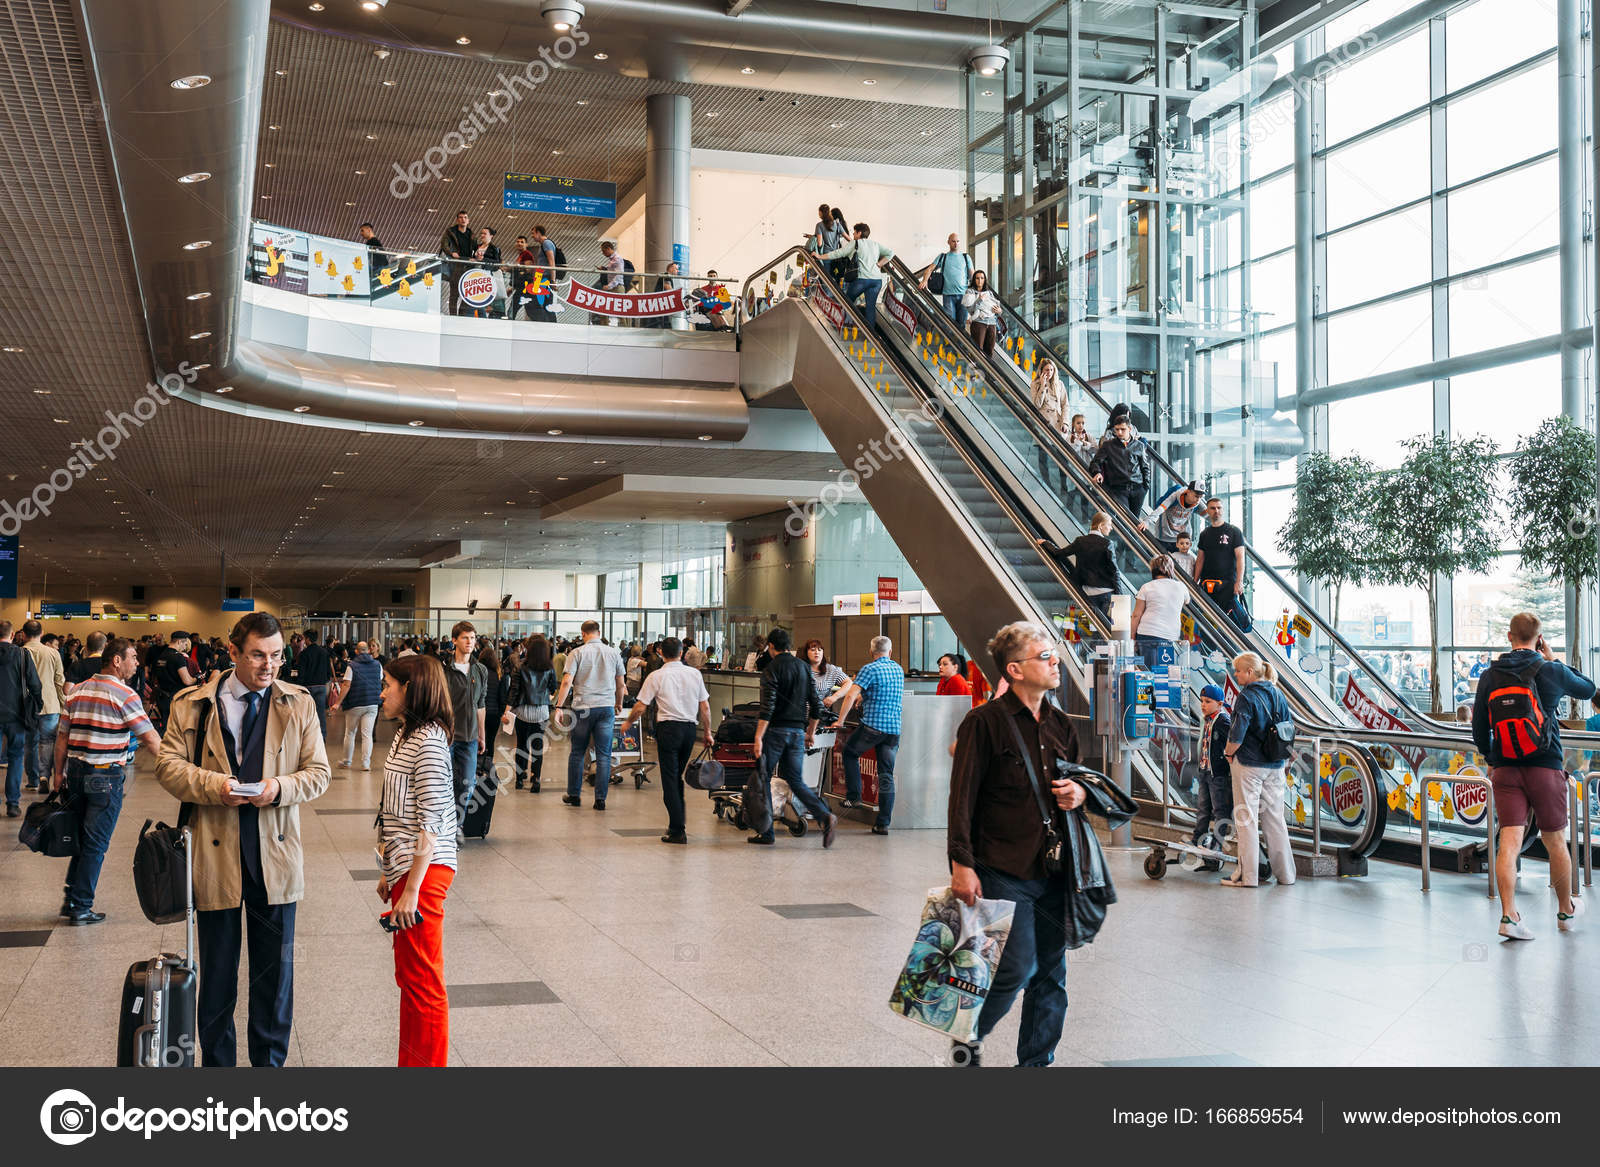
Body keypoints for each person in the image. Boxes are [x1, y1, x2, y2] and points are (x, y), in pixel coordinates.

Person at [154, 612, 331, 1067]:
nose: (269, 666)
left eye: (276, 655)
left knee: (275, 977)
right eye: (257, 655)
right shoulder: (192, 704)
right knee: (217, 976)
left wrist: (278, 788)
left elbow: (318, 773)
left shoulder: (299, 703)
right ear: (233, 652)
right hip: (215, 856)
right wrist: (215, 786)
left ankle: (268, 1068)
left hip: (275, 855)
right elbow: (167, 765)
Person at [948, 621, 1087, 1068]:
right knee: (1016, 967)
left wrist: (1078, 793)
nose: (1056, 663)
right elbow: (962, 797)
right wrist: (961, 864)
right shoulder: (983, 723)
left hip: (1054, 868)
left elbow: (1082, 784)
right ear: (1015, 669)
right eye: (1045, 657)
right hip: (1002, 867)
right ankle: (969, 1035)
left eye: (1054, 655)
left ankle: (1036, 1063)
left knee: (1051, 974)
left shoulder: (1062, 725)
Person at [1471, 612, 1595, 940]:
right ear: (1539, 639)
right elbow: (1588, 689)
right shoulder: (1549, 670)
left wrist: (1492, 759)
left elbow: (1479, 728)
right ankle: (1565, 911)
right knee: (1555, 841)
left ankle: (1509, 917)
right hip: (1545, 766)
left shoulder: (1490, 675)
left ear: (1509, 636)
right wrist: (1553, 659)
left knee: (1509, 841)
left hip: (1505, 770)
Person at [375, 653, 458, 1067]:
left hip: (425, 873)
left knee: (423, 981)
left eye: (388, 685)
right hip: (406, 868)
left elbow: (433, 820)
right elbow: (394, 809)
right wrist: (388, 870)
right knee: (410, 977)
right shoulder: (406, 733)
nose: (382, 693)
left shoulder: (428, 742)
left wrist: (411, 889)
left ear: (410, 689)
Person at [50, 637, 162, 924]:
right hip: (105, 777)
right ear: (116, 660)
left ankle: (71, 899)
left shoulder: (77, 691)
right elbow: (151, 739)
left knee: (81, 839)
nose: (137, 663)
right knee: (96, 844)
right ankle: (81, 906)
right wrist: (176, 768)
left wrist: (58, 773)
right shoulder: (125, 695)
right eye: (133, 657)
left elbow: (62, 737)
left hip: (76, 774)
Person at [748, 628, 837, 847]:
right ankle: (824, 815)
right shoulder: (804, 668)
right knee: (795, 780)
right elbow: (816, 705)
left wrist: (758, 737)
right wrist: (810, 732)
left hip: (775, 732)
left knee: (763, 776)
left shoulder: (771, 669)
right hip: (797, 732)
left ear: (771, 647)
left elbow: (767, 707)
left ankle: (767, 832)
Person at [621, 637, 712, 844]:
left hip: (668, 729)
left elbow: (640, 706)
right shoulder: (694, 674)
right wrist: (707, 733)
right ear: (681, 653)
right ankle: (676, 824)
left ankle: (678, 829)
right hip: (689, 730)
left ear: (661, 653)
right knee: (676, 776)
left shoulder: (656, 676)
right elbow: (705, 707)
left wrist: (628, 723)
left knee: (670, 779)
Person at [1220, 652, 1295, 889]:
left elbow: (1237, 734)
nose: (1235, 674)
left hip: (1249, 765)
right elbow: (1288, 727)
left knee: (1246, 820)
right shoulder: (1278, 694)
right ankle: (1286, 875)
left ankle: (1248, 877)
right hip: (1276, 765)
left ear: (1250, 672)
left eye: (1238, 671)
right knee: (1275, 820)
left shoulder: (1246, 697)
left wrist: (1228, 753)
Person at [553, 619, 626, 810]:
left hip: (582, 708)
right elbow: (621, 684)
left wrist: (559, 706)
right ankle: (600, 799)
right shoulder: (614, 653)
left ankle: (574, 795)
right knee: (604, 755)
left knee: (577, 752)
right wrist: (618, 703)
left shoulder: (577, 653)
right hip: (606, 708)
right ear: (599, 633)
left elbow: (567, 682)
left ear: (583, 634)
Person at [834, 635, 904, 834]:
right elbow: (884, 692)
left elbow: (850, 694)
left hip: (873, 727)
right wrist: (864, 698)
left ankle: (854, 797)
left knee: (849, 753)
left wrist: (840, 721)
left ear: (871, 651)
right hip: (893, 730)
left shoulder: (869, 669)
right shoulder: (898, 669)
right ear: (890, 652)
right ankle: (882, 824)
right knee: (886, 775)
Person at [441, 622, 488, 829]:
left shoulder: (480, 670)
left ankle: (456, 826)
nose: (470, 642)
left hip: (470, 738)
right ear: (454, 640)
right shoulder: (444, 670)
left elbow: (481, 705)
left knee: (467, 784)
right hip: (447, 737)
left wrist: (482, 735)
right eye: (465, 638)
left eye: (472, 638)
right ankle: (443, 827)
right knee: (445, 784)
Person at [505, 634, 557, 792]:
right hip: (541, 712)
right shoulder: (549, 668)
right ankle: (536, 779)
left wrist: (507, 711)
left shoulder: (520, 666)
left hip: (523, 711)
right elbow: (553, 688)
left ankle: (520, 779)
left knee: (521, 745)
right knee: (537, 746)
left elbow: (514, 691)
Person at [819, 222, 894, 331]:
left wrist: (820, 256)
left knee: (847, 302)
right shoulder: (875, 244)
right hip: (876, 281)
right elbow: (890, 253)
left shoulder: (855, 243)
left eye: (854, 232)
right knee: (870, 308)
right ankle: (870, 334)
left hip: (862, 280)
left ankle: (843, 327)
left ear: (859, 233)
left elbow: (838, 253)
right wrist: (879, 264)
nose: (853, 234)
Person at [0, 620, 40, 817]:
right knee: (16, 757)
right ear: (12, 634)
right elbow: (35, 684)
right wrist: (37, 705)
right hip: (17, 715)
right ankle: (13, 804)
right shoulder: (23, 655)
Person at [20, 620, 64, 794]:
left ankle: (33, 780)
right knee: (47, 742)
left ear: (23, 634)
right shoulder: (53, 653)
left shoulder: (19, 653)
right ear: (42, 633)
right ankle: (44, 776)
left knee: (30, 743)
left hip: (26, 706)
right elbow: (59, 681)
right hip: (50, 704)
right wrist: (63, 704)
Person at [1195, 496, 1250, 632]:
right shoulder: (1204, 534)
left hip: (1228, 586)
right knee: (1207, 624)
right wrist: (1194, 582)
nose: (1216, 511)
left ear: (1223, 510)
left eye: (1219, 508)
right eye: (1213, 508)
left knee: (1228, 625)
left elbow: (1240, 558)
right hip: (1207, 586)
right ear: (1207, 511)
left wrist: (1239, 582)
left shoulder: (1234, 531)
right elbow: (1200, 559)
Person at [1192, 684, 1233, 870]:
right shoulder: (1206, 720)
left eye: (1208, 702)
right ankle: (1197, 839)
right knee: (1203, 808)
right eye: (1202, 701)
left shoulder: (1223, 720)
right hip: (1204, 770)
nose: (1203, 705)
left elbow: (1231, 741)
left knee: (1219, 810)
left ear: (1220, 703)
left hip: (1218, 774)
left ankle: (1216, 845)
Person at [1056, 512, 1119, 624]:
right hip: (1106, 594)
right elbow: (1114, 571)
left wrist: (1046, 543)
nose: (1111, 528)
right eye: (1109, 525)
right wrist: (1120, 596)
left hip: (1087, 593)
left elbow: (1059, 553)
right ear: (1100, 525)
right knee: (1111, 628)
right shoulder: (1107, 543)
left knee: (1084, 628)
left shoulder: (1080, 541)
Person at [1130, 553, 1188, 670]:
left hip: (1147, 634)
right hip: (1169, 636)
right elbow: (1187, 601)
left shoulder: (1147, 587)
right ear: (1171, 569)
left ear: (1153, 569)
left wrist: (1132, 636)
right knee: (1164, 673)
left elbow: (1136, 615)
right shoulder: (1181, 587)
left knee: (1148, 672)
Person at [1090, 415, 1151, 518]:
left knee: (1134, 520)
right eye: (1117, 429)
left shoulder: (1139, 445)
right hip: (1118, 490)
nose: (1119, 432)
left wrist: (1145, 486)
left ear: (1129, 429)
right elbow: (1095, 462)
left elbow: (1145, 467)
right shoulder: (1108, 445)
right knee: (1124, 518)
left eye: (1123, 429)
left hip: (1138, 488)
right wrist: (1097, 472)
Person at [336, 640, 382, 770]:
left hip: (355, 703)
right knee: (367, 734)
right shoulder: (378, 665)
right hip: (372, 703)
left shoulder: (352, 666)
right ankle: (366, 763)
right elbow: (379, 680)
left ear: (356, 651)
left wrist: (337, 703)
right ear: (368, 651)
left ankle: (347, 761)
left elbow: (346, 685)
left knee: (350, 733)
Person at [918, 233, 972, 325]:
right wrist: (924, 281)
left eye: (958, 241)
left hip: (964, 295)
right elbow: (929, 269)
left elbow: (972, 274)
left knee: (961, 324)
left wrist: (978, 291)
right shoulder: (943, 257)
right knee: (949, 324)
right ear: (948, 242)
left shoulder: (966, 257)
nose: (956, 244)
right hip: (948, 295)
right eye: (953, 241)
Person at [1141, 481, 1204, 554]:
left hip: (1181, 539)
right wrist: (1147, 521)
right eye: (1196, 496)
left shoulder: (1197, 503)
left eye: (1201, 497)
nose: (1198, 500)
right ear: (1188, 492)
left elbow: (1210, 514)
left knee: (1180, 560)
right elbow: (1160, 508)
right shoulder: (1175, 496)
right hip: (1163, 536)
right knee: (1155, 557)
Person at [152, 632, 196, 733]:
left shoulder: (162, 655)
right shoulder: (178, 657)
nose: (185, 648)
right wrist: (196, 679)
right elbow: (187, 681)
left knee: (166, 726)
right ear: (179, 642)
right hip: (174, 698)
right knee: (175, 729)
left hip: (161, 697)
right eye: (185, 644)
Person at [296, 628, 332, 741]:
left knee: (306, 713)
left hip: (308, 687)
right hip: (321, 686)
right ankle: (322, 737)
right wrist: (324, 680)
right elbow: (329, 671)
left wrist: (299, 685)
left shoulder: (304, 654)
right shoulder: (324, 652)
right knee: (320, 713)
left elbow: (301, 672)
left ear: (307, 639)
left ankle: (307, 738)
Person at [438, 210, 474, 316]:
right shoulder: (451, 232)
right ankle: (453, 315)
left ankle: (462, 315)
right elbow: (444, 244)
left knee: (467, 292)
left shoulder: (471, 234)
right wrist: (451, 253)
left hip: (468, 265)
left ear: (468, 220)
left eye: (465, 217)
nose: (463, 219)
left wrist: (474, 257)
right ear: (457, 220)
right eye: (461, 217)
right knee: (454, 292)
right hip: (456, 265)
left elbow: (474, 247)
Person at [803, 639, 849, 716]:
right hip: (801, 716)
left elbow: (848, 683)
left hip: (821, 716)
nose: (817, 652)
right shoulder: (800, 668)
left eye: (819, 650)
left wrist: (834, 697)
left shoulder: (831, 669)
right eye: (813, 650)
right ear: (806, 653)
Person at [962, 270, 1002, 357]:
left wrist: (999, 311)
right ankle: (976, 366)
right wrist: (979, 300)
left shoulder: (989, 293)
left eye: (982, 278)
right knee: (977, 351)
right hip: (979, 323)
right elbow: (971, 310)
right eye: (977, 278)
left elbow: (995, 308)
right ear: (974, 280)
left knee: (990, 351)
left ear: (984, 280)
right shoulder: (970, 292)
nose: (979, 280)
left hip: (992, 324)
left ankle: (988, 367)